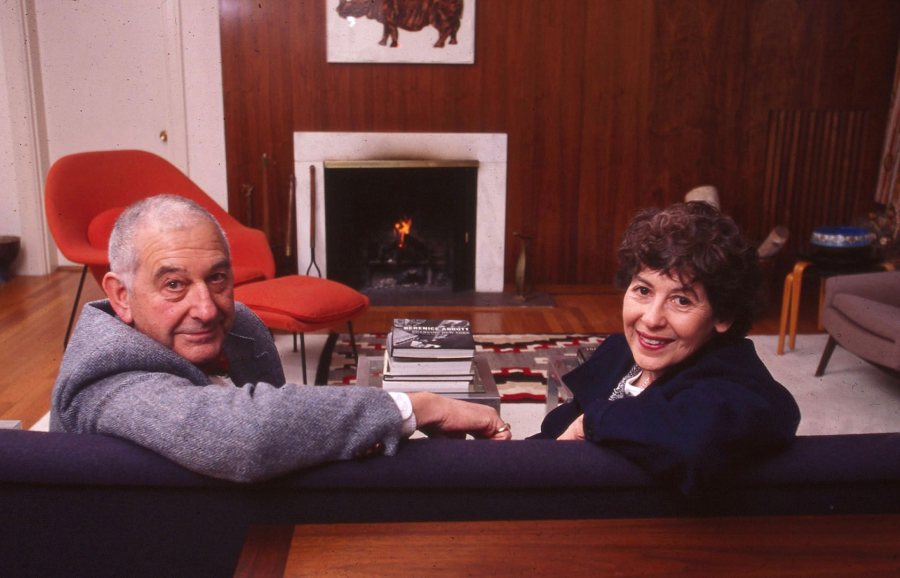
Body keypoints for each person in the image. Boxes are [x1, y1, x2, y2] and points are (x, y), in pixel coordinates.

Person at [50, 195, 510, 483]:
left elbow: (275, 415)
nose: (207, 309)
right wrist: (419, 405)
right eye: (173, 285)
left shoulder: (241, 326)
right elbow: (247, 436)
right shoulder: (105, 377)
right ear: (121, 295)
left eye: (217, 278)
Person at [533, 201, 800, 494]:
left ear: (723, 315)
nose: (651, 319)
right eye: (643, 290)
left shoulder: (741, 388)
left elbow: (692, 443)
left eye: (681, 300)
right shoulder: (621, 351)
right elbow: (561, 429)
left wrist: (591, 423)